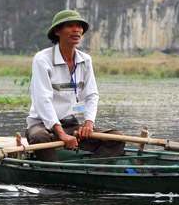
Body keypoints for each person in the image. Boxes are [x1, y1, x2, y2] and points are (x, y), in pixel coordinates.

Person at [25, 9, 125, 162]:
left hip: (71, 124)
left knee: (116, 137)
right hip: (43, 125)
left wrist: (88, 125)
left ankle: (90, 171)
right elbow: (42, 100)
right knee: (39, 137)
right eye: (70, 26)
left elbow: (91, 95)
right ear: (57, 31)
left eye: (79, 26)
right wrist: (61, 133)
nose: (76, 30)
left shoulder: (85, 60)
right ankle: (55, 173)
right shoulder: (42, 60)